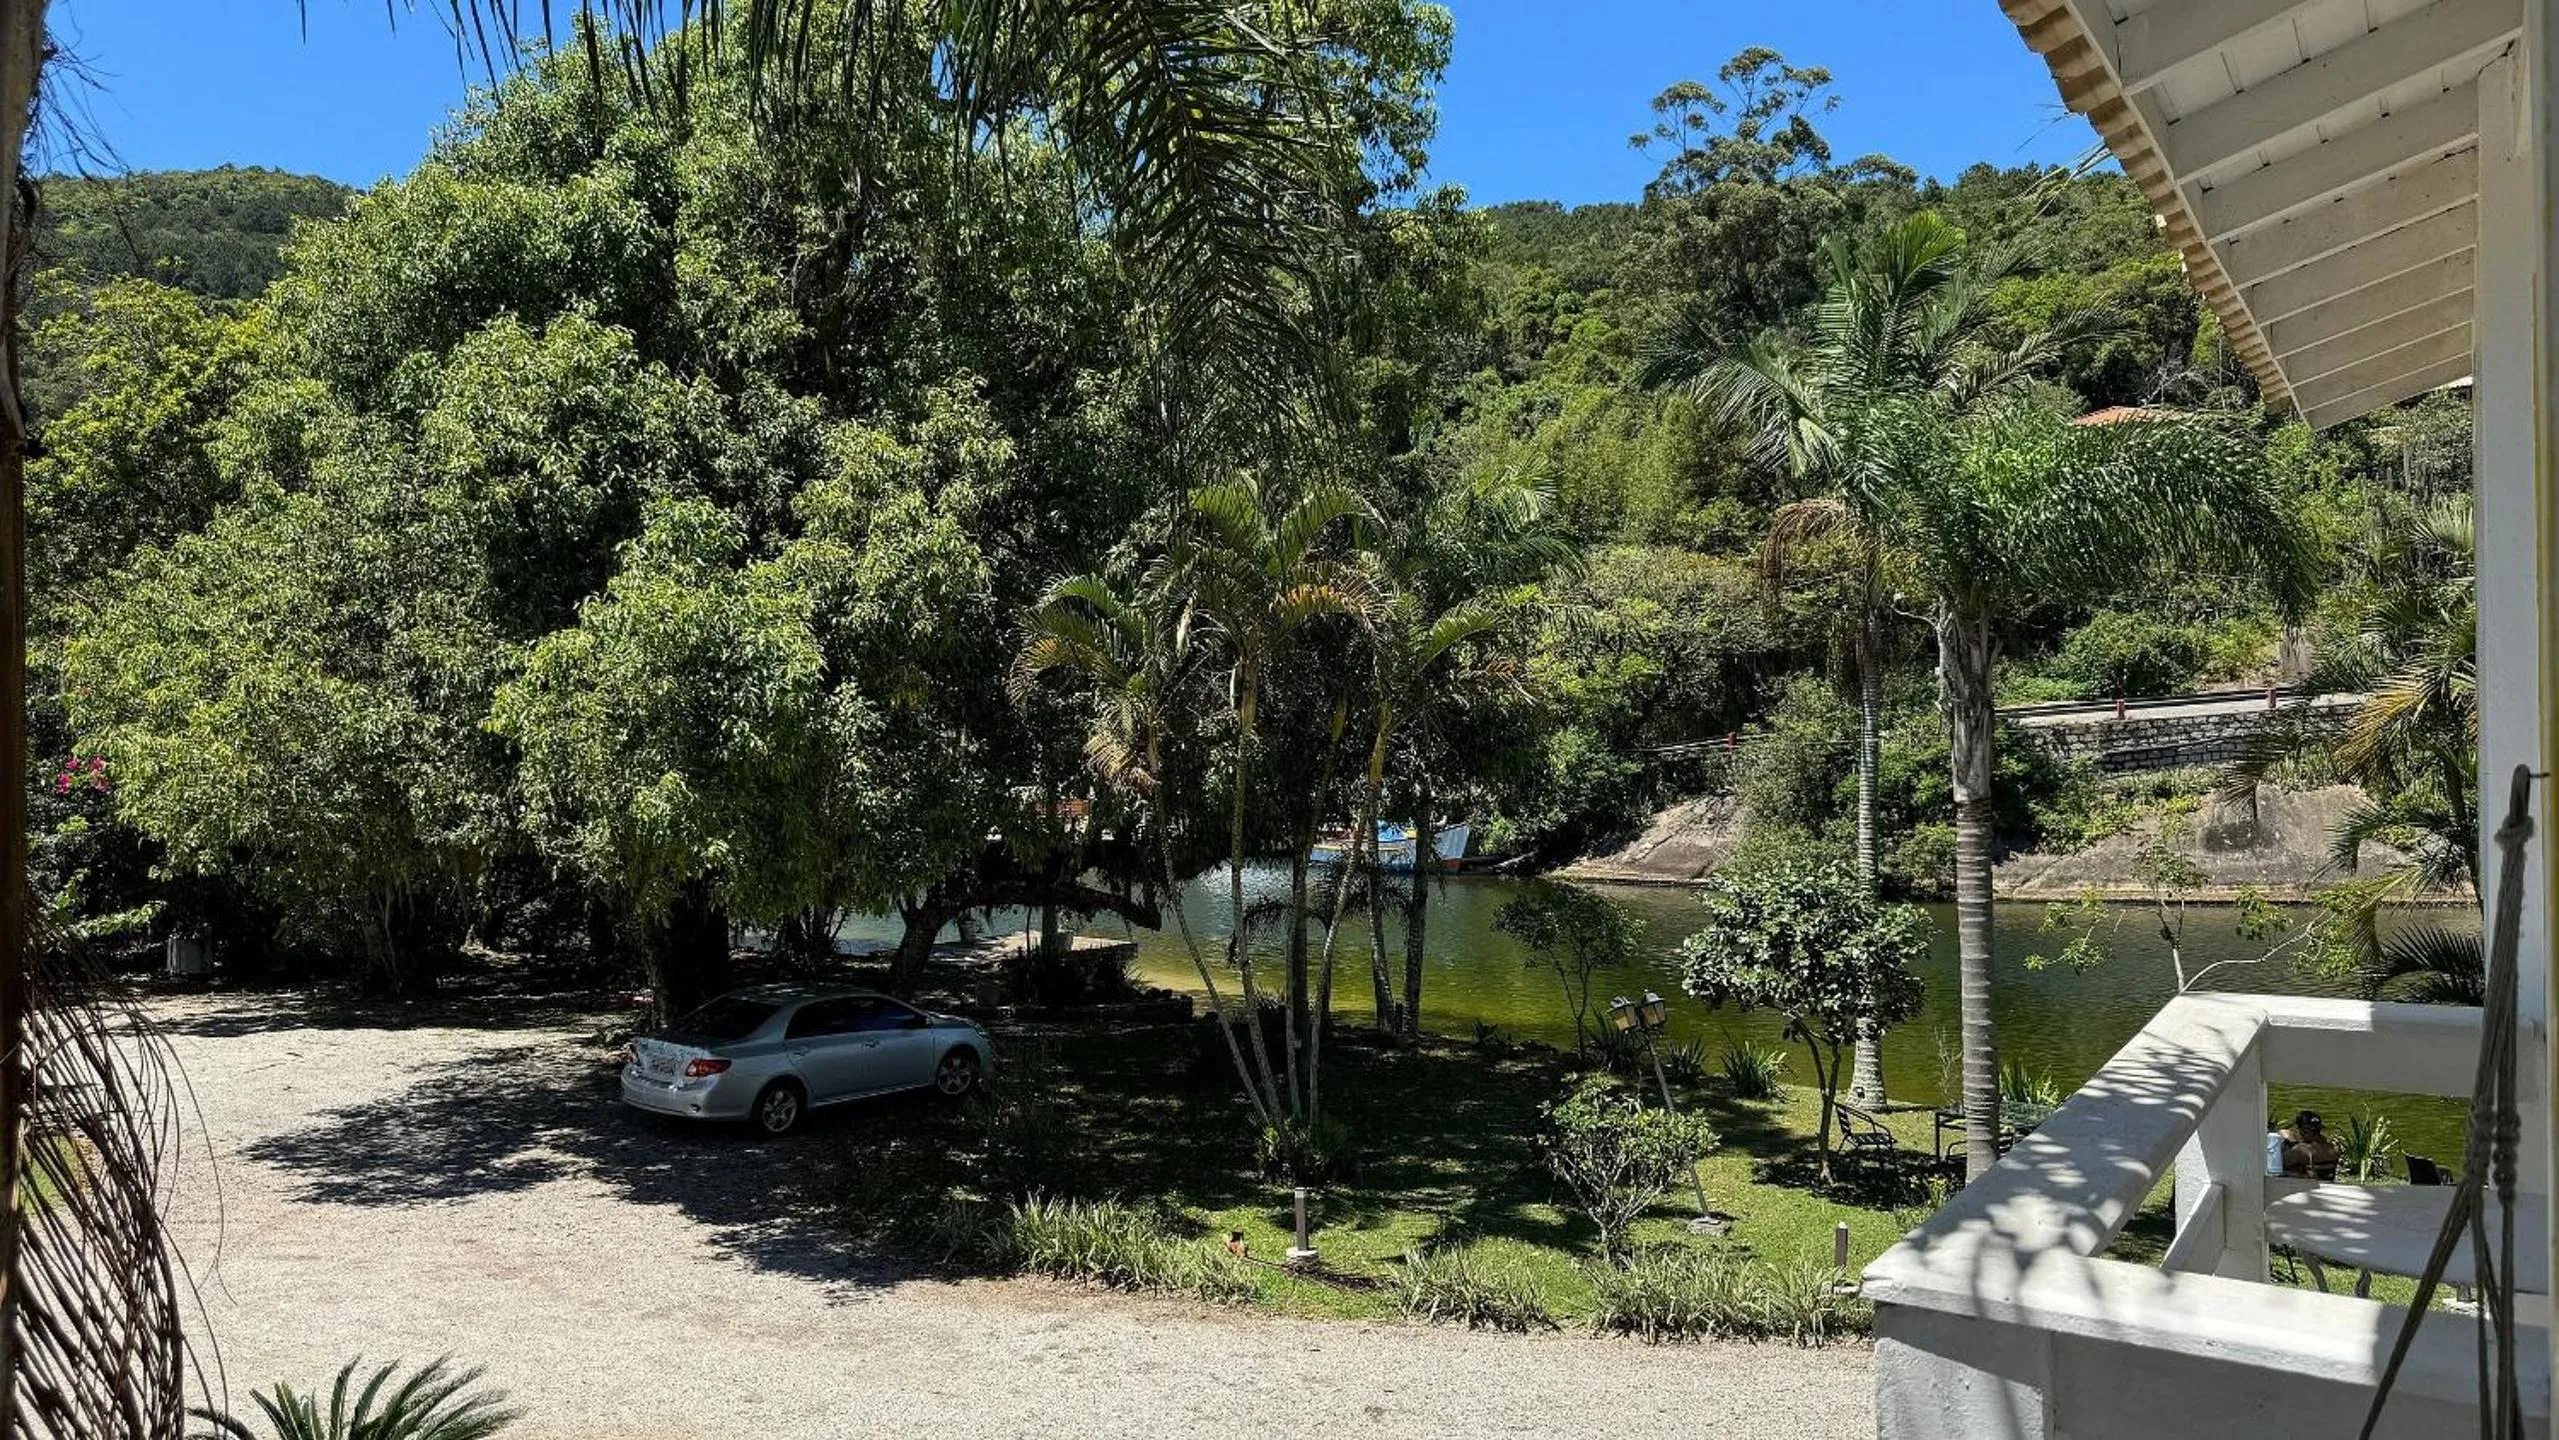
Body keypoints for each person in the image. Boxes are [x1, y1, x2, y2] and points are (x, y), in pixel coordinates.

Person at [2280, 1110, 2339, 1181]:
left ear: (2303, 1131)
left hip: (2306, 1186)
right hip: (2327, 1184)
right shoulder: (2332, 1148)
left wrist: (2292, 1143)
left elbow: (2277, 1164)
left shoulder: (2301, 1150)